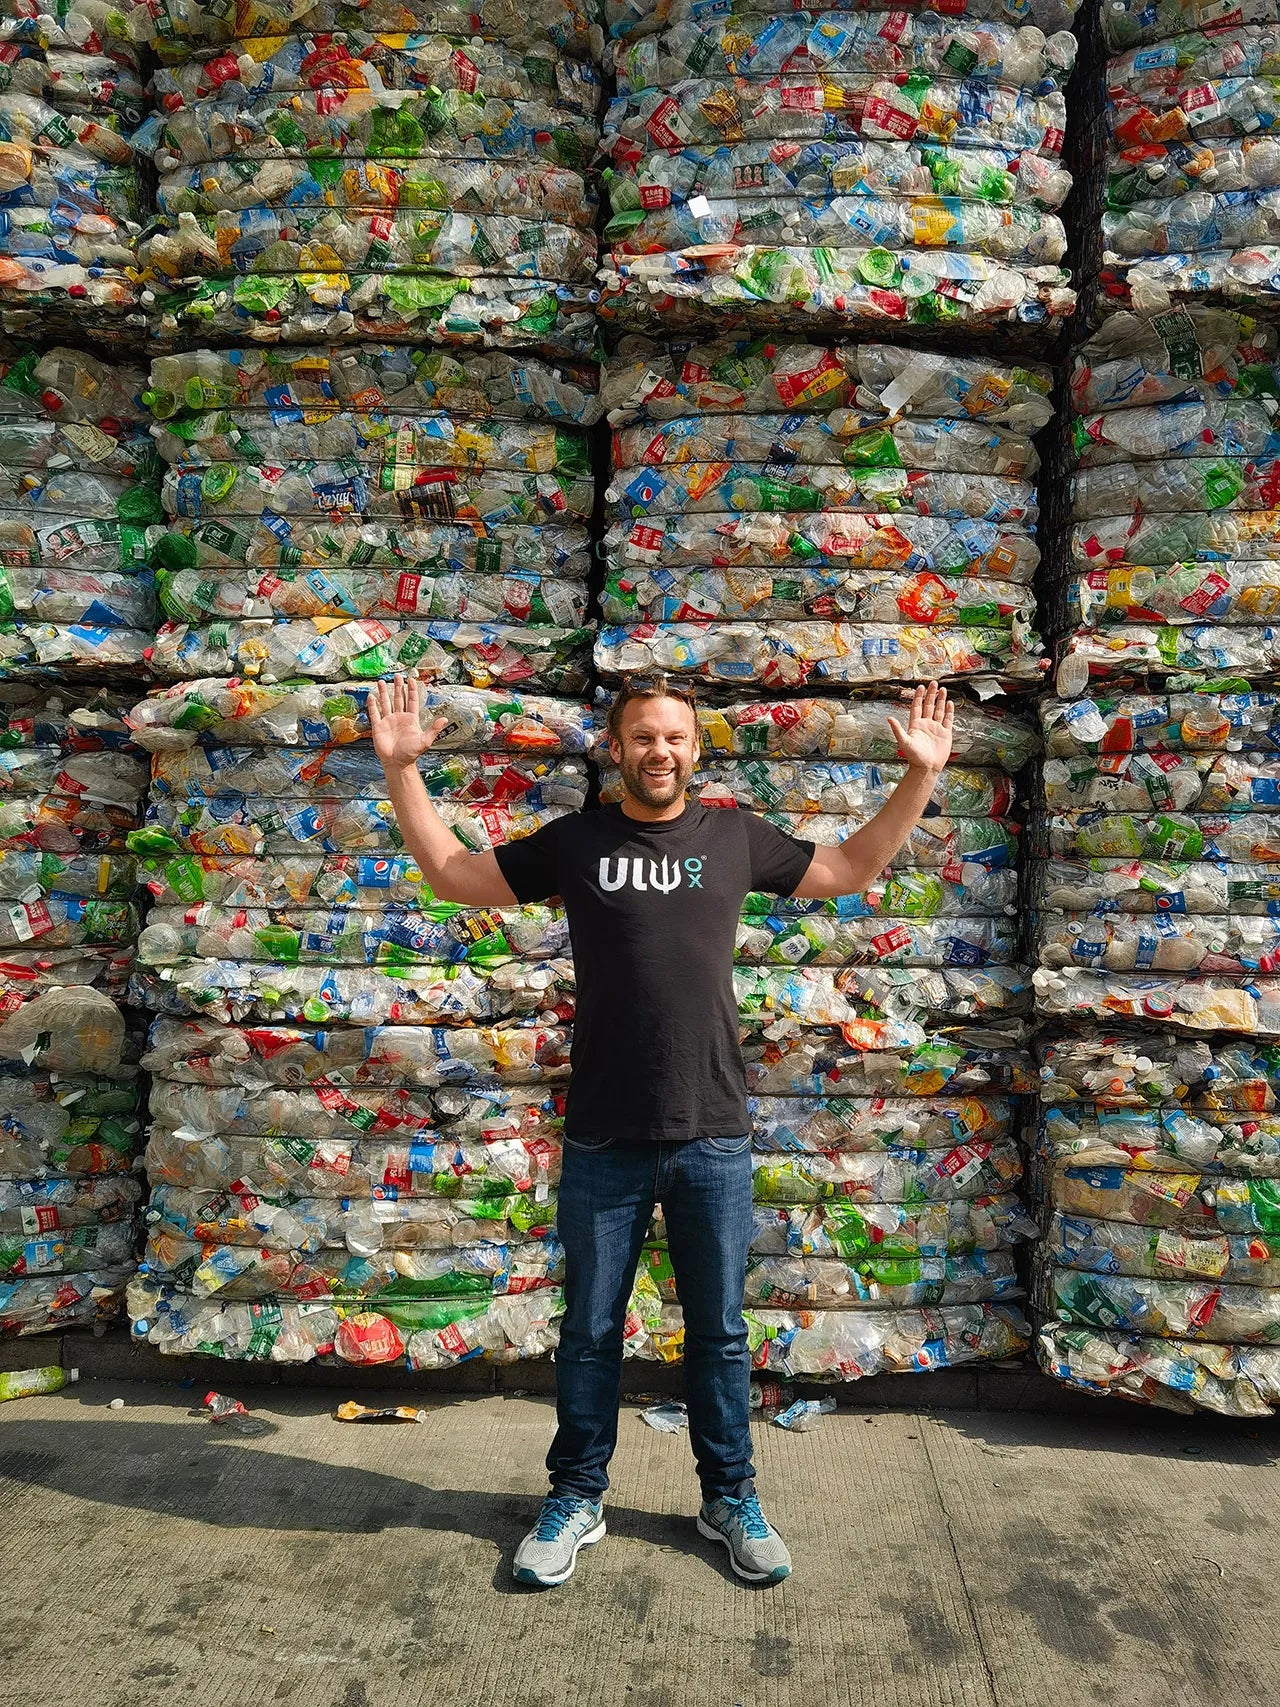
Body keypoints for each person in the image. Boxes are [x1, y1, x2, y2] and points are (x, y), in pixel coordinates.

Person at [368, 671, 956, 1589]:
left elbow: (848, 871)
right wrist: (404, 770)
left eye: (675, 737)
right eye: (643, 736)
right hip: (604, 1132)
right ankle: (575, 1496)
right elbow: (453, 876)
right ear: (616, 746)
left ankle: (729, 1496)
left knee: (719, 1333)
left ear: (696, 749)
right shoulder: (578, 842)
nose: (660, 751)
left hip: (712, 1129)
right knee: (592, 1332)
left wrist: (917, 777)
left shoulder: (731, 836)